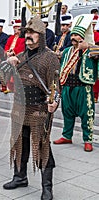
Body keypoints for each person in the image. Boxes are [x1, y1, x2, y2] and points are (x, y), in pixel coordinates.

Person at [0, 16, 60, 200]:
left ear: (41, 36)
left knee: (42, 146)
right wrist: (7, 65)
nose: (29, 36)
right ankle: (20, 177)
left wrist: (54, 101)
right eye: (27, 32)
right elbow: (3, 78)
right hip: (19, 108)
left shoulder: (50, 58)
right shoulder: (20, 56)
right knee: (20, 144)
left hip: (38, 109)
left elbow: (55, 84)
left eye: (33, 33)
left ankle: (47, 187)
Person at [53, 14, 98, 152]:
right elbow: (57, 58)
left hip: (83, 87)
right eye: (72, 35)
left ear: (83, 37)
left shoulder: (91, 50)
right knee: (67, 113)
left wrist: (89, 46)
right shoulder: (66, 51)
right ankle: (67, 135)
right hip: (67, 86)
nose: (73, 38)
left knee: (87, 114)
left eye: (77, 35)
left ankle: (88, 139)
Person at [4, 19, 25, 93]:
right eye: (14, 28)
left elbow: (21, 47)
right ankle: (8, 86)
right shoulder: (11, 38)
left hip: (17, 58)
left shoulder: (23, 38)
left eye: (17, 28)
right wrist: (7, 52)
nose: (15, 30)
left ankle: (16, 88)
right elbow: (7, 46)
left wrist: (13, 52)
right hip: (9, 57)